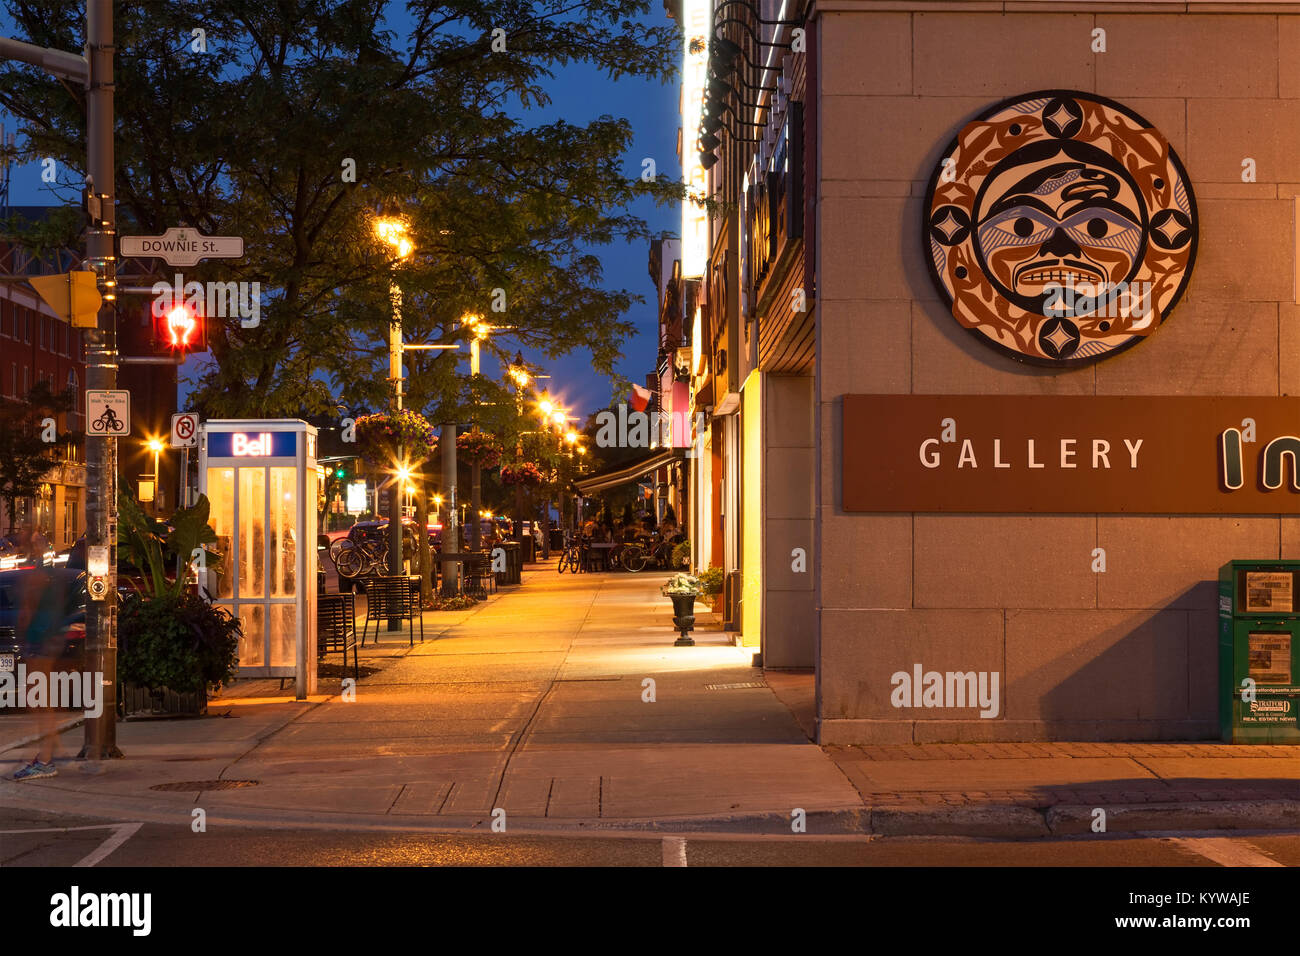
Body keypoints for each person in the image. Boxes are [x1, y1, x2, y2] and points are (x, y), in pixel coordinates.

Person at [11, 526, 81, 781]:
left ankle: (46, 758)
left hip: (38, 641)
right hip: (45, 639)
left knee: (38, 700)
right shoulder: (51, 575)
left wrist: (24, 636)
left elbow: (26, 612)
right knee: (40, 700)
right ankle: (49, 750)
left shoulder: (35, 576)